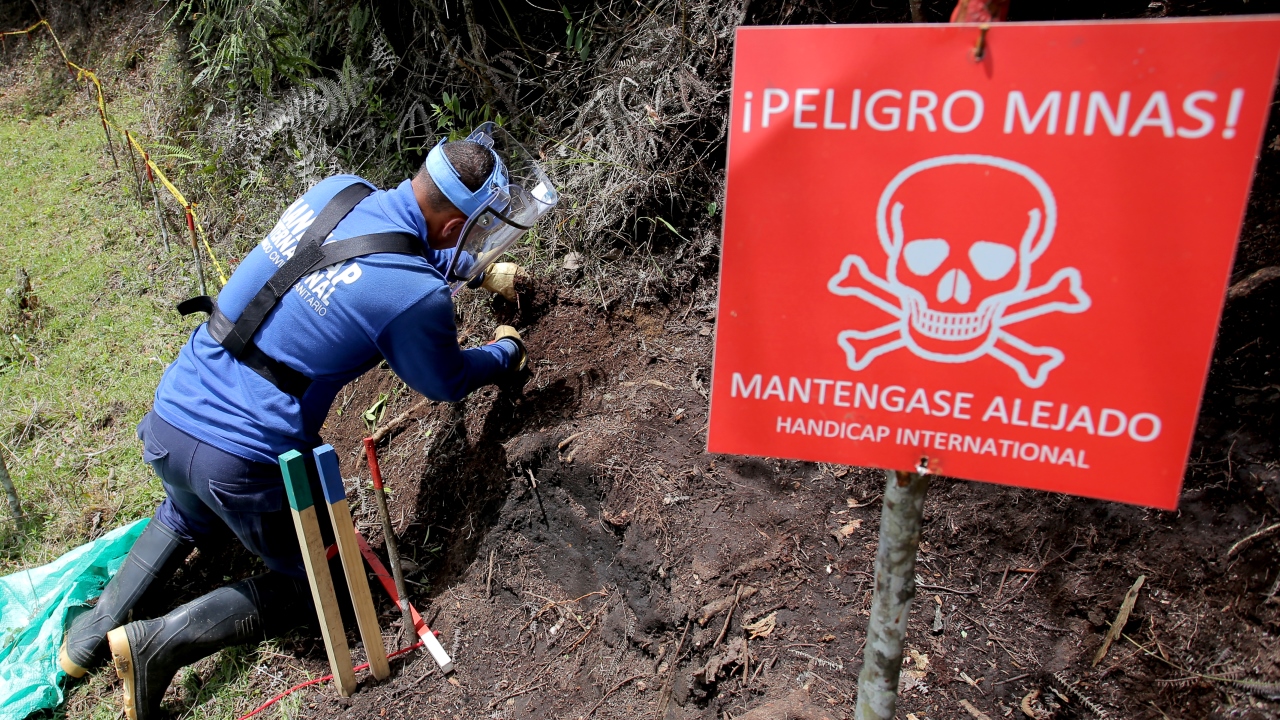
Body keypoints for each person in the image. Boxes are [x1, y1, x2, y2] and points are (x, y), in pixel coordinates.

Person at [57, 124, 554, 720]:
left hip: (172, 415)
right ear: (453, 227)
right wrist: (504, 353)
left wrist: (469, 271)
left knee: (186, 514)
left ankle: (86, 640)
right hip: (239, 464)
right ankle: (155, 644)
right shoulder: (416, 296)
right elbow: (443, 379)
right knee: (323, 580)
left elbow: (361, 262)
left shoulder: (340, 190)